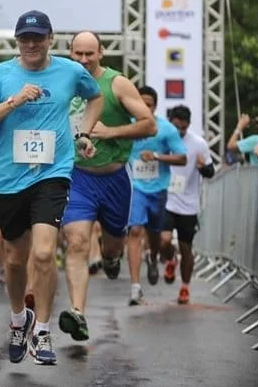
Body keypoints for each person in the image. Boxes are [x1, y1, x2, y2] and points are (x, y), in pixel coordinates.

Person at [0, 11, 103, 366]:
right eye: (24, 38)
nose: (30, 44)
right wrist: (14, 101)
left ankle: (42, 331)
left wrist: (84, 133)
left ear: (50, 39)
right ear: (17, 41)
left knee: (44, 254)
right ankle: (19, 320)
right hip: (9, 178)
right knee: (14, 260)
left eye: (37, 38)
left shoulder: (70, 71)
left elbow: (96, 97)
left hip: (52, 173)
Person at [58, 30, 156, 341]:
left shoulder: (117, 83)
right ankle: (78, 313)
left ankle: (112, 257)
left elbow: (149, 123)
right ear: (70, 53)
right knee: (75, 242)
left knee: (114, 244)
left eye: (90, 54)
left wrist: (110, 132)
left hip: (115, 178)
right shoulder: (61, 80)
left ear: (101, 52)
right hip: (77, 176)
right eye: (78, 54)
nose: (84, 60)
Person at [126, 86, 187, 306]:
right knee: (134, 230)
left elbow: (182, 158)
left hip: (158, 189)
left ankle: (152, 257)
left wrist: (157, 156)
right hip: (135, 187)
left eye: (148, 105)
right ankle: (135, 287)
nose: (144, 108)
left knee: (157, 236)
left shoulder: (166, 129)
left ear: (155, 106)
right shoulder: (128, 125)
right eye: (140, 104)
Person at [163, 105, 214, 304]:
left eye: (183, 128)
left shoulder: (198, 144)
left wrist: (203, 168)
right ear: (170, 123)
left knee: (186, 248)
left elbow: (211, 171)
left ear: (189, 125)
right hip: (166, 198)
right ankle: (170, 259)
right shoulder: (162, 139)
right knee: (164, 240)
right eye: (176, 127)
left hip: (188, 203)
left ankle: (185, 287)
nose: (180, 132)